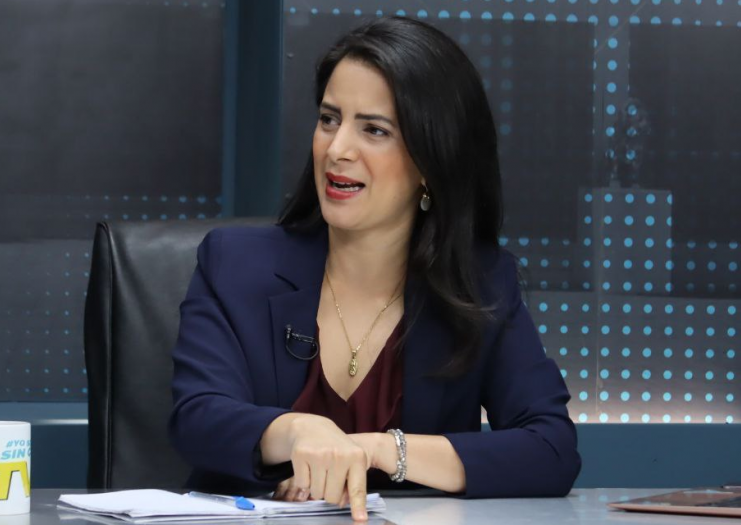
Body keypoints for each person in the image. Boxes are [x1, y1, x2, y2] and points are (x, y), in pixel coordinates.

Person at [168, 16, 580, 521]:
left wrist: (382, 450)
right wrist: (296, 432)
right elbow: (197, 417)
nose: (337, 149)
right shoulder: (233, 263)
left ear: (431, 160)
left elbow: (551, 449)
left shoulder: (481, 284)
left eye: (374, 130)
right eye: (329, 119)